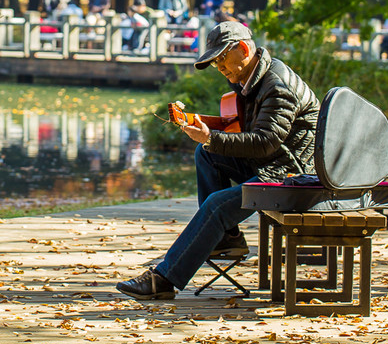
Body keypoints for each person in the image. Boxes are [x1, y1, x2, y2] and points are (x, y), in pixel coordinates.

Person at [115, 20, 321, 300]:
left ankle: (163, 280)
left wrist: (211, 137)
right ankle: (228, 239)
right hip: (274, 165)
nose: (220, 66)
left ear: (244, 49)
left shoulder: (277, 85)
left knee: (216, 205)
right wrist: (208, 136)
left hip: (294, 178)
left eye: (222, 57)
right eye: (215, 62)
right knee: (207, 154)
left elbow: (265, 141)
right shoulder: (250, 79)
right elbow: (253, 136)